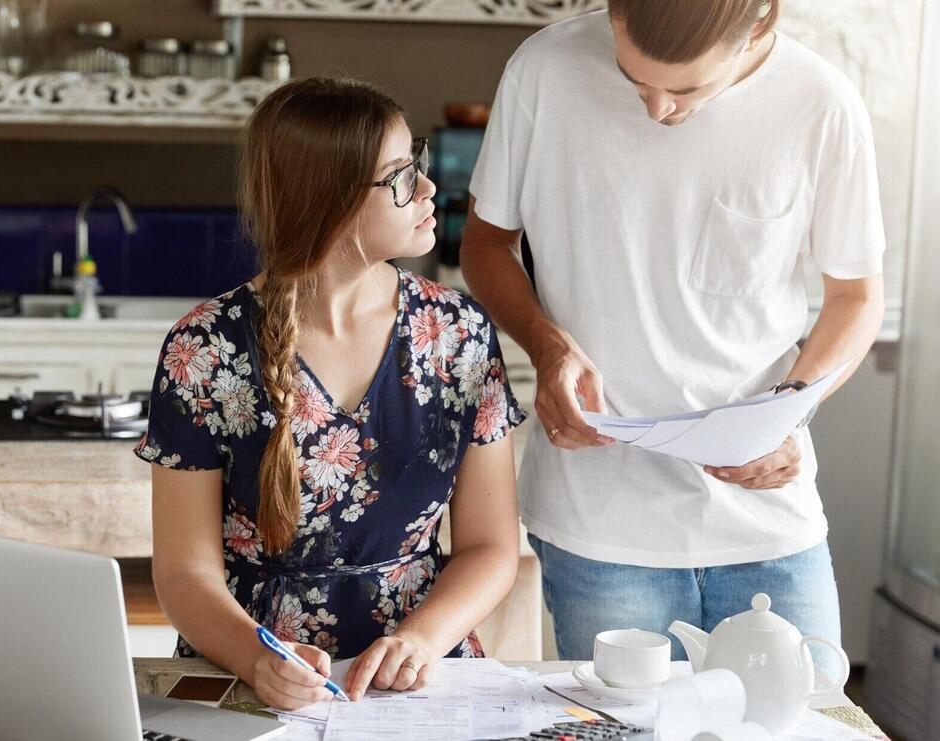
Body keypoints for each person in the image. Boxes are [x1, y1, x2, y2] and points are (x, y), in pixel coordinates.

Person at [461, 0, 885, 674]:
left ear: (758, 26)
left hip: (767, 516)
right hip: (600, 524)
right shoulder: (543, 71)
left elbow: (857, 297)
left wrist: (794, 405)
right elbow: (485, 248)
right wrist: (547, 345)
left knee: (805, 716)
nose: (655, 110)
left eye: (685, 89)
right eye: (634, 81)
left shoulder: (821, 104)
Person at [137, 77, 527, 711]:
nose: (428, 189)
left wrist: (420, 641)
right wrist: (259, 658)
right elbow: (184, 575)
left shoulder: (460, 334)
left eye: (418, 164)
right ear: (332, 199)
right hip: (248, 680)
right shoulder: (203, 348)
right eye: (402, 176)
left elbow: (491, 548)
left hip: (420, 684)